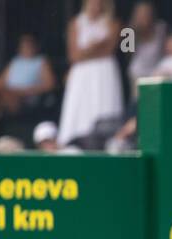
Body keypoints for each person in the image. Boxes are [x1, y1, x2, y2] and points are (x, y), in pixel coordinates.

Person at [0, 34, 55, 147]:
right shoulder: (15, 62)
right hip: (6, 97)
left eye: (29, 45)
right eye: (24, 46)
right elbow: (1, 80)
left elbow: (50, 85)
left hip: (25, 98)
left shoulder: (41, 62)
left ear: (35, 47)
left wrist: (24, 90)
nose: (27, 48)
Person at [57, 0, 123, 146]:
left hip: (104, 73)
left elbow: (109, 50)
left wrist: (87, 51)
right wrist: (96, 46)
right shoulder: (75, 23)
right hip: (82, 75)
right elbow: (74, 55)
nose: (96, 5)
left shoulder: (113, 22)